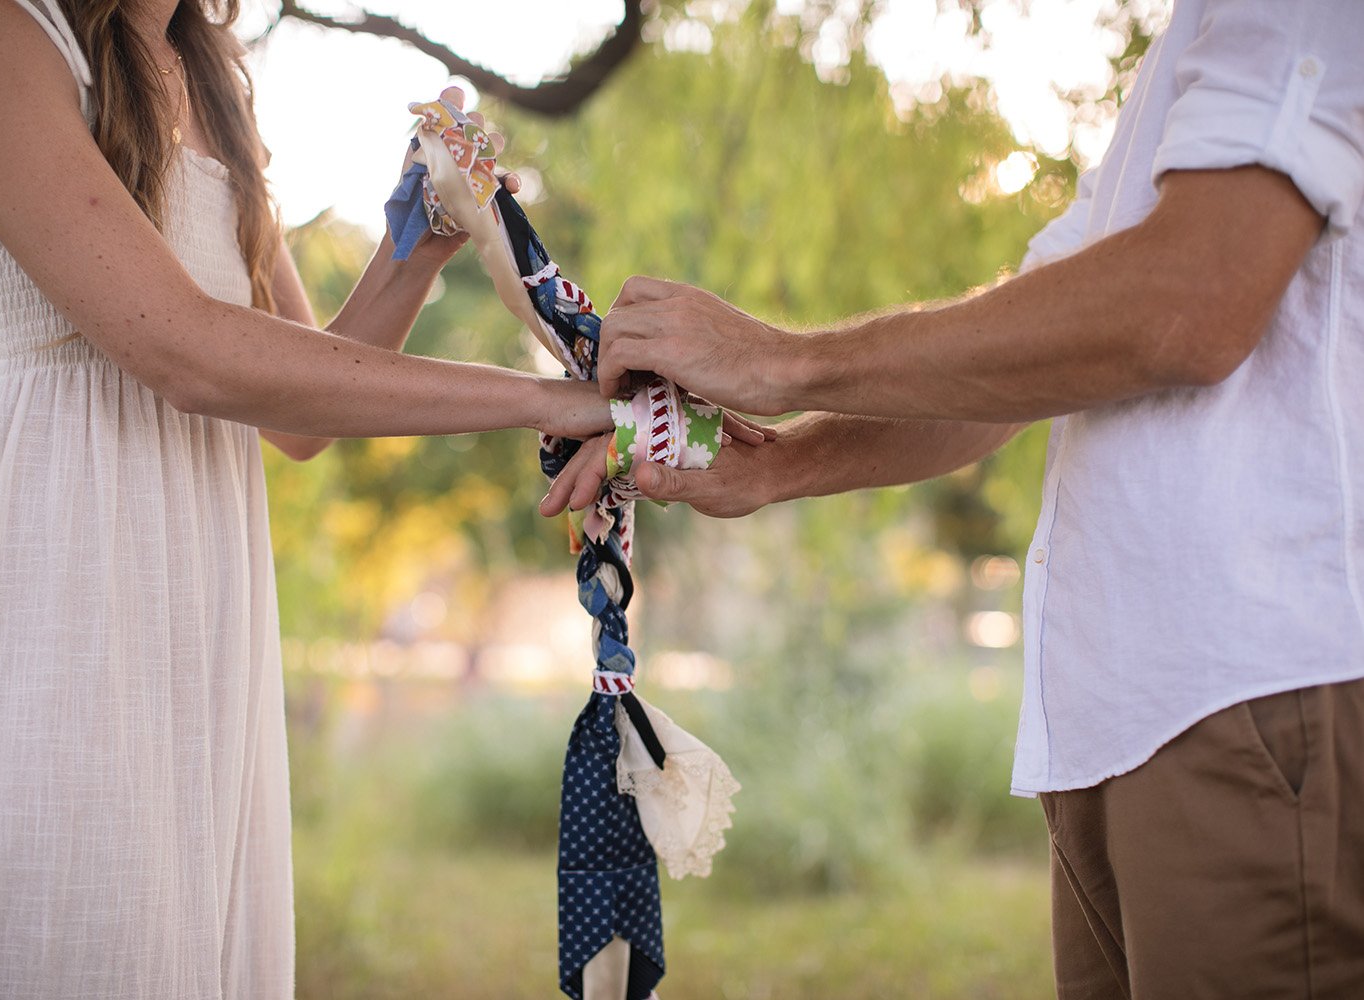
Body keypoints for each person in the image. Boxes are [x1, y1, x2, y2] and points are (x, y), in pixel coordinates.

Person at [0, 0, 768, 994]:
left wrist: (421, 241)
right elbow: (189, 350)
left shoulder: (207, 74)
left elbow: (298, 413)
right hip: (45, 613)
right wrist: (556, 402)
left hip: (191, 636)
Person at [543, 1, 1364, 995]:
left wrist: (784, 359)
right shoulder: (1185, 55)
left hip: (1253, 700)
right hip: (1125, 735)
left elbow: (1187, 304)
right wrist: (779, 465)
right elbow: (1015, 368)